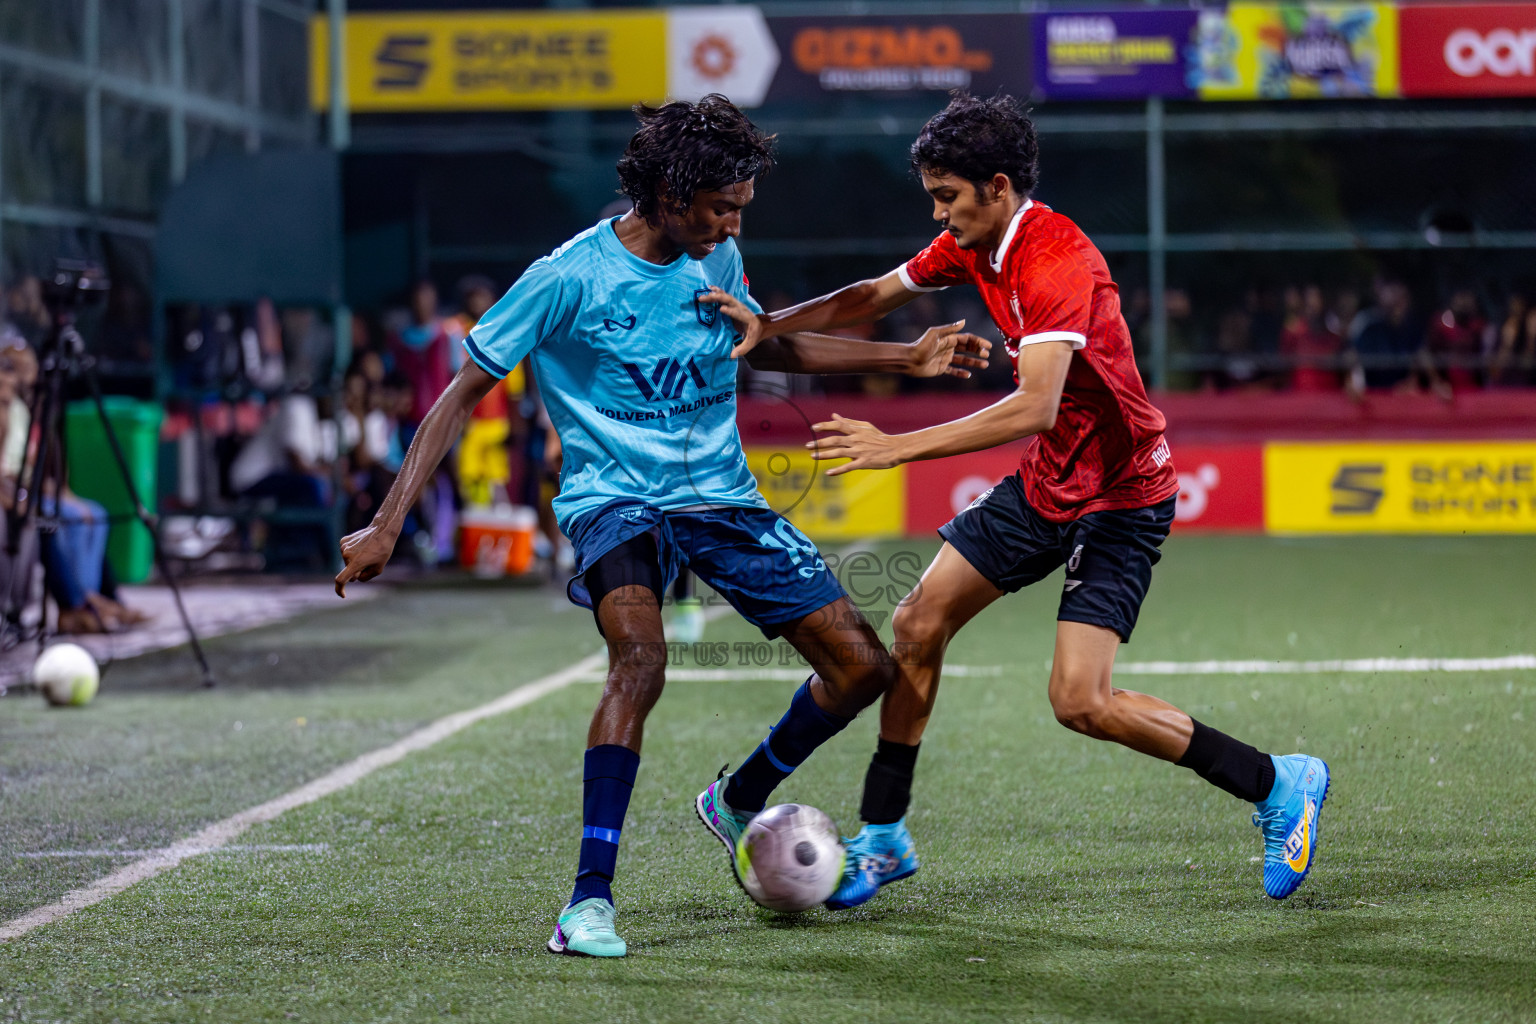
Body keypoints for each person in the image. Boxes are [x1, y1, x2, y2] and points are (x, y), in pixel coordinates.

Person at [332, 94, 989, 958]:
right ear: (671, 192)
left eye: (742, 208)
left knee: (863, 669)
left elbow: (762, 344)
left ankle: (739, 796)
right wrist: (385, 523)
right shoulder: (567, 278)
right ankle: (587, 903)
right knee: (641, 656)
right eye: (723, 206)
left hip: (721, 497)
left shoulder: (716, 257)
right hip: (613, 499)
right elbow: (460, 395)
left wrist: (902, 357)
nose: (733, 222)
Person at [712, 91, 1330, 909]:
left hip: (1121, 495)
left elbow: (1033, 405)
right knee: (918, 622)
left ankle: (1277, 781)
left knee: (1081, 702)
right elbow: (870, 294)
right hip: (1049, 483)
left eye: (947, 197)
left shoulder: (1054, 260)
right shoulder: (974, 243)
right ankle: (885, 837)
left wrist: (896, 447)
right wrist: (763, 324)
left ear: (997, 187)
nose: (937, 213)